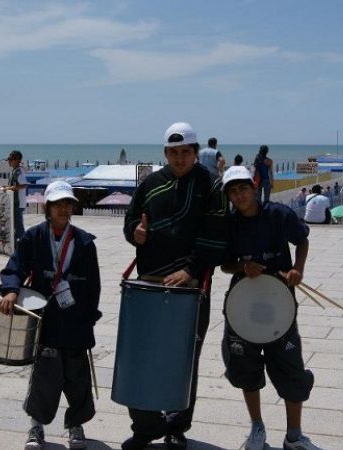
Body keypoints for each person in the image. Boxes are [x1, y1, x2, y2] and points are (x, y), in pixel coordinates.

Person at [122, 122, 227, 450]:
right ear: (165, 154)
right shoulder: (150, 183)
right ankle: (146, 426)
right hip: (149, 284)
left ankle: (178, 424)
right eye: (173, 152)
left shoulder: (211, 185)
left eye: (185, 152)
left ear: (196, 153)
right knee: (141, 358)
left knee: (183, 360)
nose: (180, 158)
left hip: (192, 289)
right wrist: (134, 234)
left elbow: (217, 235)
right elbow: (130, 221)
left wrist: (190, 269)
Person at [219, 166, 321, 450]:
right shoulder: (230, 223)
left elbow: (302, 240)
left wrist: (297, 270)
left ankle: (295, 435)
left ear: (254, 186)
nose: (239, 196)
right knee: (246, 368)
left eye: (243, 188)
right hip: (243, 303)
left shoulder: (278, 214)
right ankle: (257, 429)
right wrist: (243, 266)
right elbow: (226, 264)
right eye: (233, 192)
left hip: (280, 301)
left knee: (290, 368)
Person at [0, 180, 102, 450]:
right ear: (47, 207)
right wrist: (11, 289)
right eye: (58, 204)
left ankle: (76, 425)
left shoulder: (84, 242)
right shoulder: (33, 237)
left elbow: (94, 285)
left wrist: (89, 318)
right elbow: (16, 267)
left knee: (78, 377)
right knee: (45, 375)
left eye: (68, 204)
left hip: (76, 320)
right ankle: (36, 426)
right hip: (47, 320)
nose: (64, 209)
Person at [4, 150, 28, 241]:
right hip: (15, 202)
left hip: (18, 202)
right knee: (15, 225)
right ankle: (18, 242)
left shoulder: (18, 172)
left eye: (11, 159)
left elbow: (23, 185)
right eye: (8, 159)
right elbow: (14, 185)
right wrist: (6, 187)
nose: (9, 161)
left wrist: (10, 188)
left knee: (18, 226)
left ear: (17, 160)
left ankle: (24, 243)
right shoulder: (14, 171)